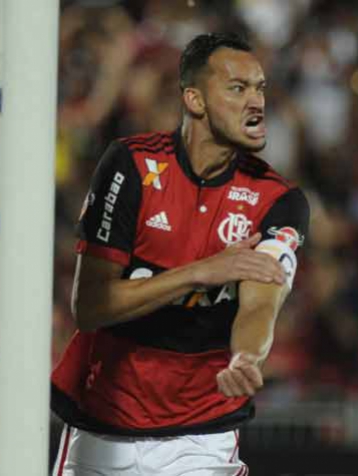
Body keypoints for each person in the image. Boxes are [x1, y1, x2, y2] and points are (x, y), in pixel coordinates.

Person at [50, 33, 309, 476]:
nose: (257, 103)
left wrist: (247, 356)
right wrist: (199, 273)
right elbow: (91, 307)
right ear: (195, 99)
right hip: (102, 422)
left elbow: (261, 303)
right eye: (237, 88)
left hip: (201, 434)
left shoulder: (278, 200)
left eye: (260, 88)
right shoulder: (130, 165)